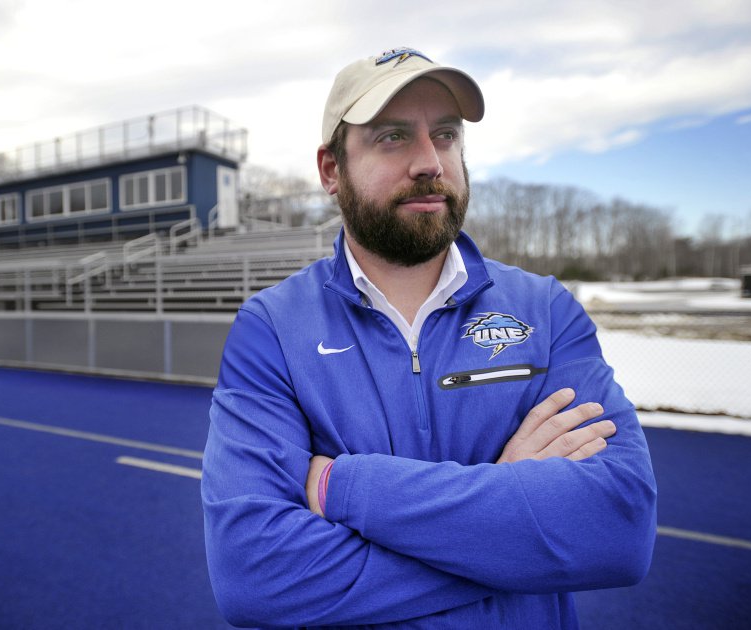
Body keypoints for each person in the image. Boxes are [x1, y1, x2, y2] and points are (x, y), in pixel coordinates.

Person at [201, 47, 657, 628]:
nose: (429, 161)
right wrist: (511, 519)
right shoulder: (271, 328)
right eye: (392, 137)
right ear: (330, 170)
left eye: (445, 135)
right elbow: (256, 577)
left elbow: (617, 531)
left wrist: (343, 485)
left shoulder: (545, 309)